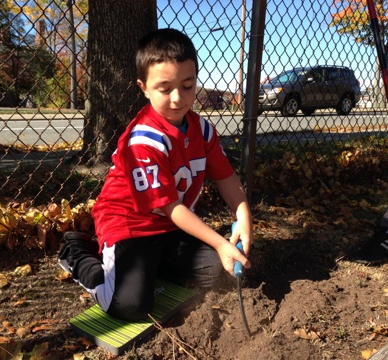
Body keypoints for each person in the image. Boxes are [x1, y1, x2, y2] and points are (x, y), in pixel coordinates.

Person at [58, 28, 253, 322]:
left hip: (169, 230)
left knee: (218, 273)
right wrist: (219, 241)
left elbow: (227, 179)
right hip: (130, 227)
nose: (178, 98)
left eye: (187, 85)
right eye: (165, 88)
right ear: (144, 87)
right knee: (130, 305)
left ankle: (152, 265)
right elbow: (170, 207)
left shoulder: (201, 129)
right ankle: (75, 251)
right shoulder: (143, 140)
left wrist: (244, 217)